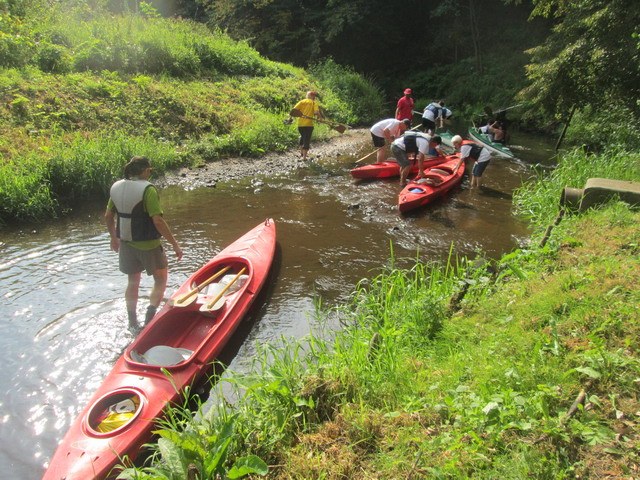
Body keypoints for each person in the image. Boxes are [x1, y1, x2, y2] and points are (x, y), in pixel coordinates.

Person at [105, 156, 183, 331]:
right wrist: (175, 245)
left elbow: (108, 216)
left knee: (132, 282)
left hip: (126, 242)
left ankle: (132, 323)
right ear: (146, 170)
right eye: (149, 171)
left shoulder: (116, 187)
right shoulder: (148, 189)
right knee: (160, 279)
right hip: (148, 244)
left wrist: (113, 237)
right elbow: (158, 222)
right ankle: (149, 318)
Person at [289, 90, 323, 161]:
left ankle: (301, 152)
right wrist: (320, 118)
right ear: (312, 96)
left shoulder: (301, 102)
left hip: (300, 125)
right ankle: (304, 157)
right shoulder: (313, 103)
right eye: (314, 96)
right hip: (308, 125)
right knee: (306, 139)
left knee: (303, 137)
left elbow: (293, 111)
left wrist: (289, 119)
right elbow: (316, 112)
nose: (314, 98)